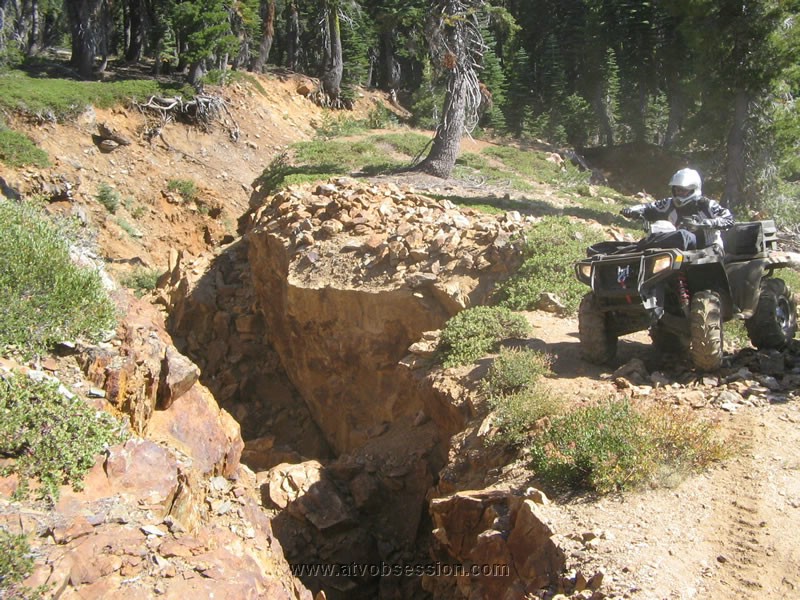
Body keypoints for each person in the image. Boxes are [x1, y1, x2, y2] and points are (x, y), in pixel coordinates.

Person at [620, 168, 734, 254]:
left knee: (684, 235)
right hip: (681, 251)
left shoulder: (707, 204)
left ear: (693, 190)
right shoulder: (669, 203)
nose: (679, 193)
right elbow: (649, 207)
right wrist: (632, 211)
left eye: (683, 191)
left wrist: (704, 224)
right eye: (677, 190)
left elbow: (729, 219)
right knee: (665, 229)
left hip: (710, 250)